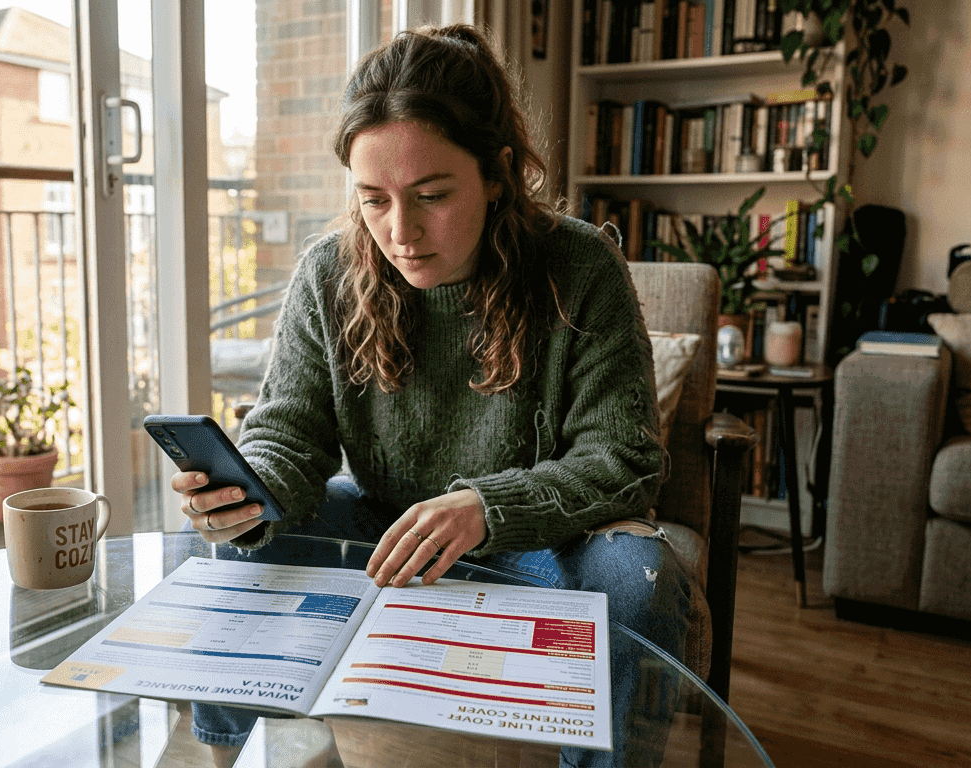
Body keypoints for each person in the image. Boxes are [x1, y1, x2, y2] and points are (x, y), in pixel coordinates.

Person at [170, 24, 695, 768]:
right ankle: (221, 755)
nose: (400, 231)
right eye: (372, 199)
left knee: (639, 586)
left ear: (499, 171)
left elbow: (625, 458)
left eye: (432, 195)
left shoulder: (582, 266)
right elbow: (289, 431)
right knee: (239, 551)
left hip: (546, 545)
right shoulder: (329, 274)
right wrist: (247, 492)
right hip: (386, 530)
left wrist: (488, 506)